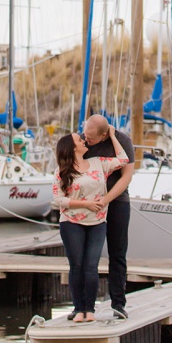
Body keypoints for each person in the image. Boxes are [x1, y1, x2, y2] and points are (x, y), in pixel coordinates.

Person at [53, 130, 123, 321]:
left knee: (91, 266)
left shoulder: (98, 163)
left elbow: (123, 160)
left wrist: (113, 136)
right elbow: (58, 200)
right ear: (71, 147)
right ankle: (78, 309)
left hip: (97, 221)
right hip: (71, 223)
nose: (84, 141)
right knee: (76, 265)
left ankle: (89, 310)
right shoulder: (62, 172)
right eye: (79, 139)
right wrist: (86, 204)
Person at [81, 113, 135, 320]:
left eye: (92, 138)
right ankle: (85, 307)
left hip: (117, 201)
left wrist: (107, 199)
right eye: (85, 135)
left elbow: (126, 176)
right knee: (87, 256)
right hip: (89, 202)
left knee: (117, 252)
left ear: (104, 135)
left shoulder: (122, 141)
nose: (87, 141)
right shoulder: (83, 140)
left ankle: (118, 303)